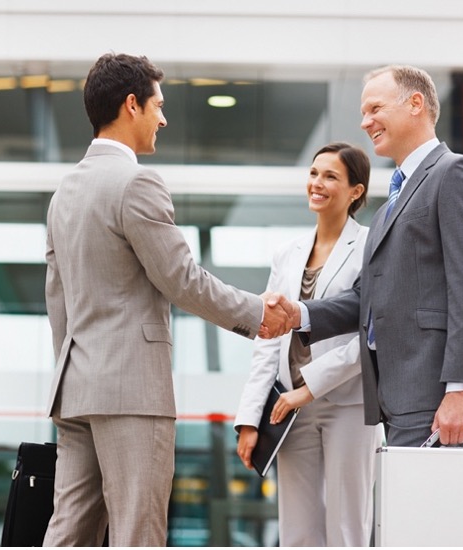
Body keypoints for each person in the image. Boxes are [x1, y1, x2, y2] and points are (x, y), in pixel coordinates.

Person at [42, 52, 291, 547]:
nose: (163, 118)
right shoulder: (136, 182)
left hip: (77, 386)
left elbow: (58, 298)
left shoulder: (65, 191)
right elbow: (181, 279)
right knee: (138, 532)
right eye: (158, 106)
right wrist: (256, 313)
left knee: (69, 531)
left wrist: (75, 368)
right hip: (131, 389)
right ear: (131, 105)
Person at [272, 64, 463, 447]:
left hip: (434, 393)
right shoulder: (387, 208)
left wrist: (461, 390)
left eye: (375, 109)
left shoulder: (456, 174)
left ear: (415, 104)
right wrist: (300, 314)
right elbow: (368, 298)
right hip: (395, 397)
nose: (365, 122)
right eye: (364, 112)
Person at [234, 143, 378, 546]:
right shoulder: (287, 253)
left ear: (355, 191)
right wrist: (250, 419)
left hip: (347, 404)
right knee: (297, 531)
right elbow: (268, 341)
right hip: (288, 407)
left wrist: (310, 387)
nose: (317, 183)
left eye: (331, 176)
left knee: (346, 529)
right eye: (314, 173)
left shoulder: (371, 247)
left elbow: (370, 332)